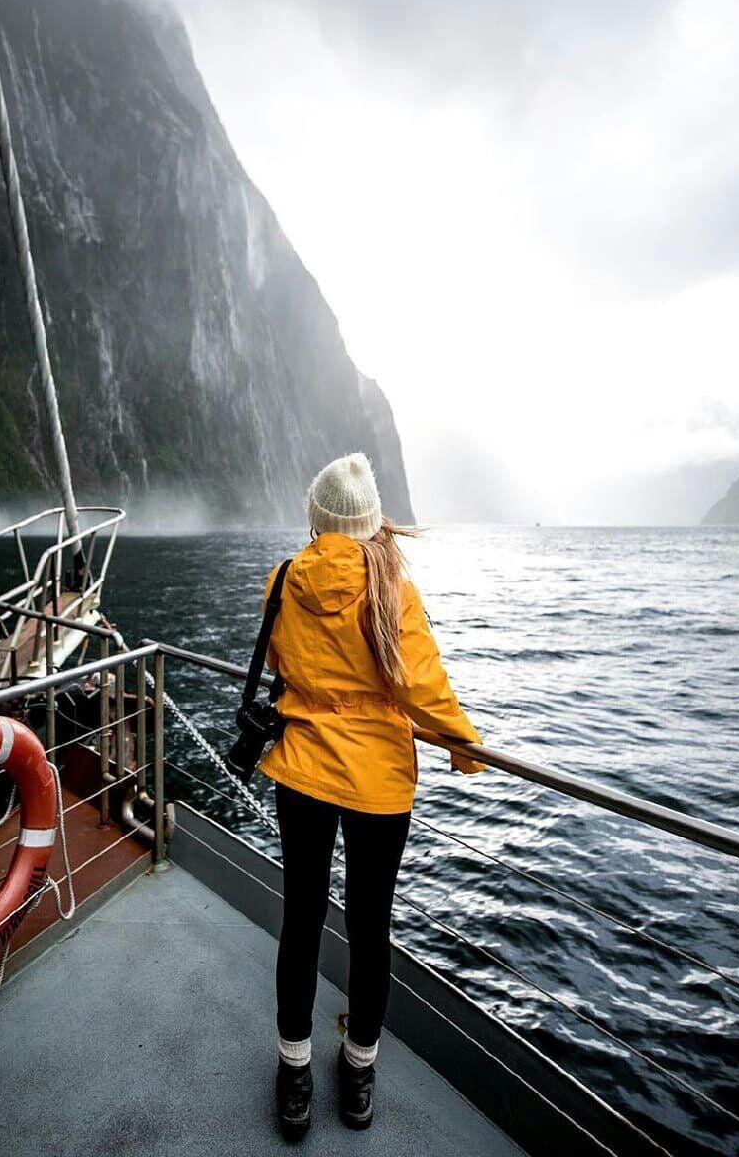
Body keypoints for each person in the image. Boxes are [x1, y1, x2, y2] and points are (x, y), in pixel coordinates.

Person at [258, 452, 485, 1139]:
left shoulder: (285, 578)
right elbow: (420, 686)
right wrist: (462, 743)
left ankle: (294, 1075)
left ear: (319, 519)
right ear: (372, 521)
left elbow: (276, 662)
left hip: (300, 771)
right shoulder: (393, 591)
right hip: (379, 784)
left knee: (300, 919)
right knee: (369, 926)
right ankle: (358, 1075)